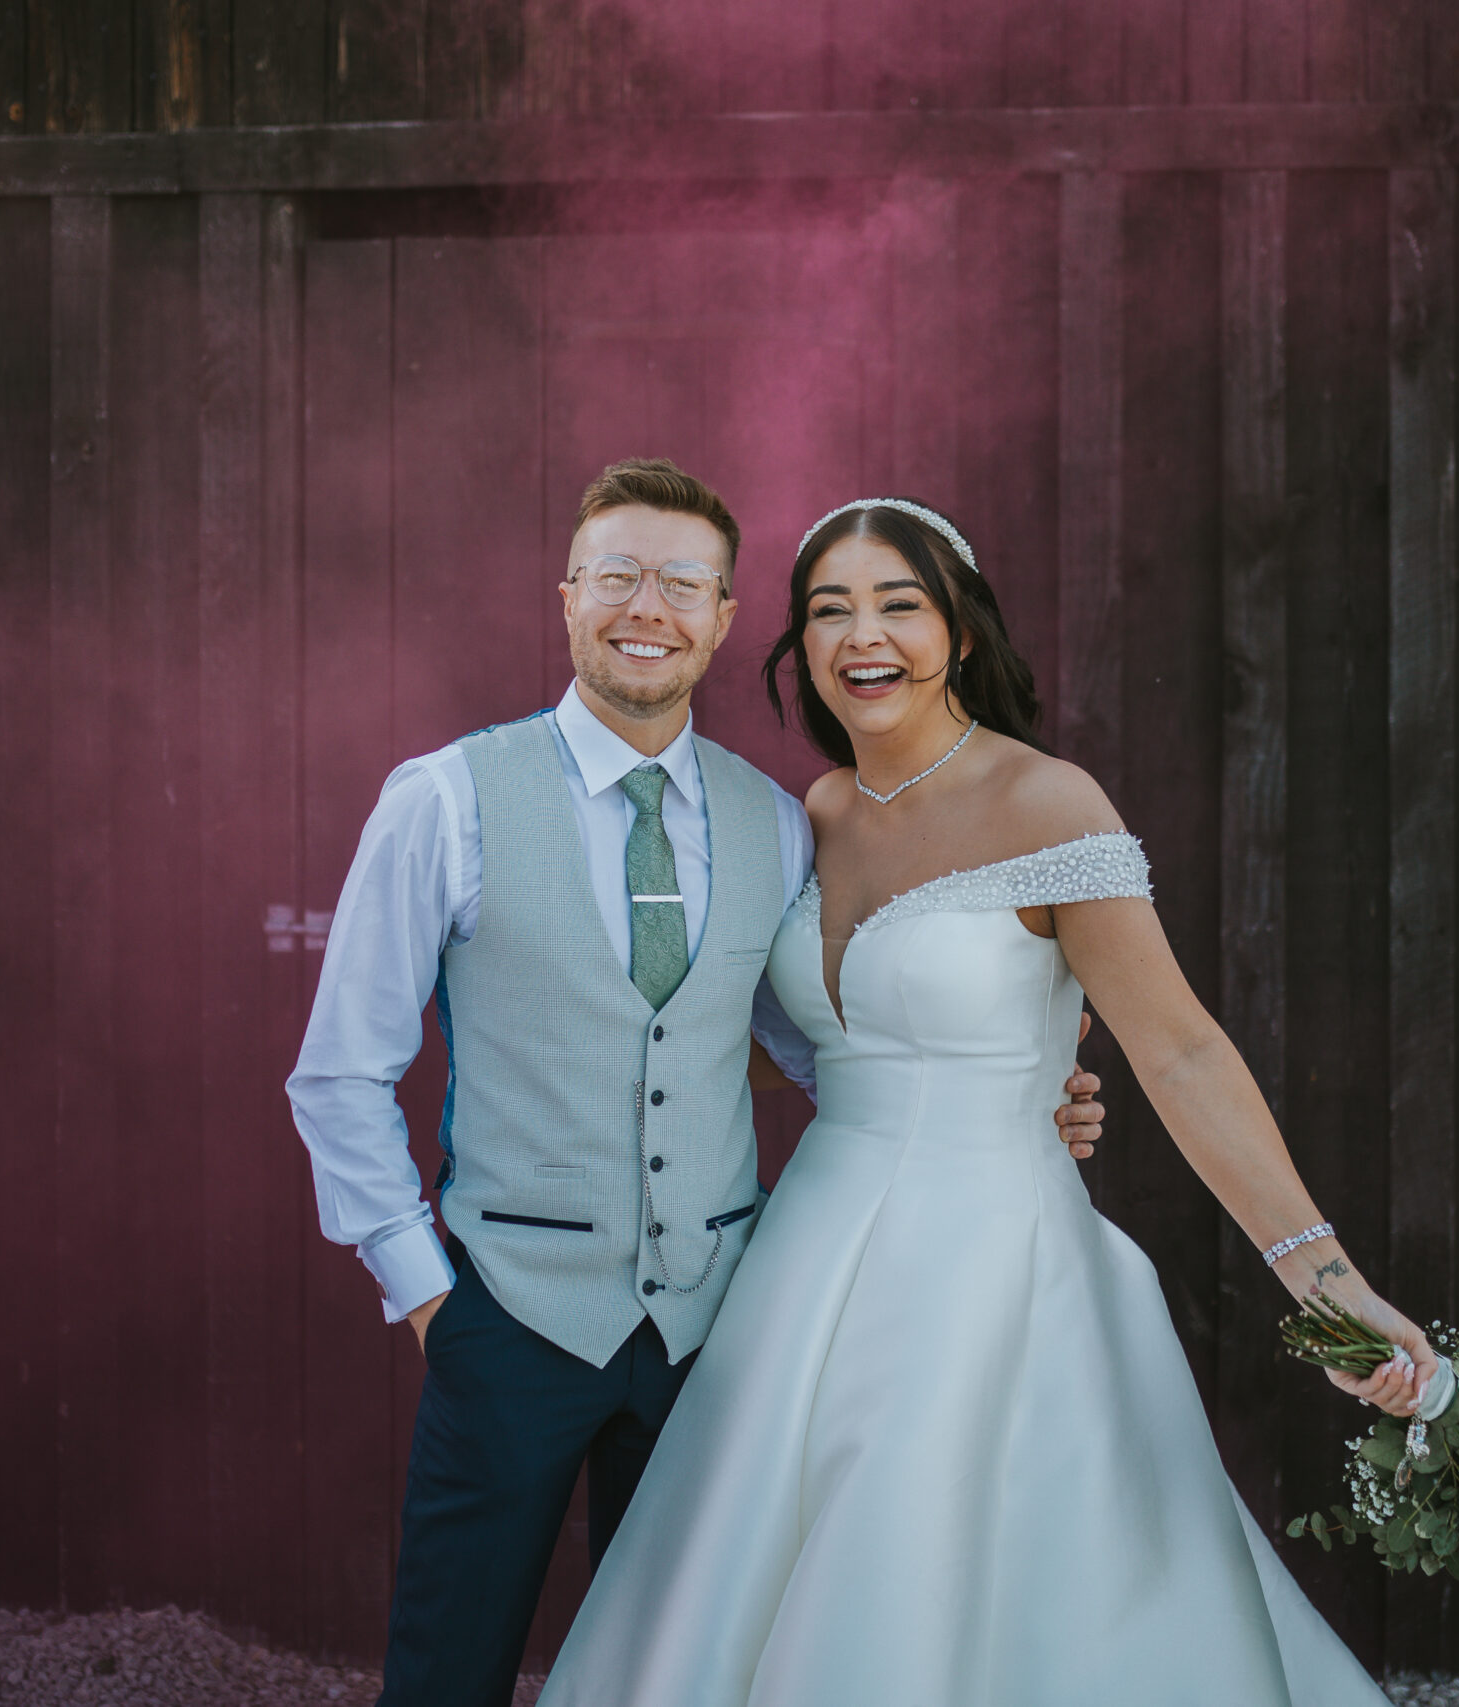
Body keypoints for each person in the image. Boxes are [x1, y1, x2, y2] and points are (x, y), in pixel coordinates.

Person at [540, 497, 1440, 1705]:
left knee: (934, 1564)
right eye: (829, 610)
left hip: (992, 1268)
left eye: (898, 605)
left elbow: (1178, 1055)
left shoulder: (1049, 804)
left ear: (960, 632)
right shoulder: (811, 816)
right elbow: (773, 1045)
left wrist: (1331, 1291)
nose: (865, 634)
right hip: (804, 1263)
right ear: (797, 647)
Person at [284, 461, 1109, 1707]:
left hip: (715, 1322)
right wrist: (426, 1296)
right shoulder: (445, 800)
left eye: (683, 583)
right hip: (506, 1310)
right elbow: (341, 1072)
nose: (646, 608)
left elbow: (805, 1040)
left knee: (682, 1671)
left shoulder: (778, 820)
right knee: (449, 1668)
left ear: (724, 620)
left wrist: (1005, 1095)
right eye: (616, 574)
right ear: (567, 597)